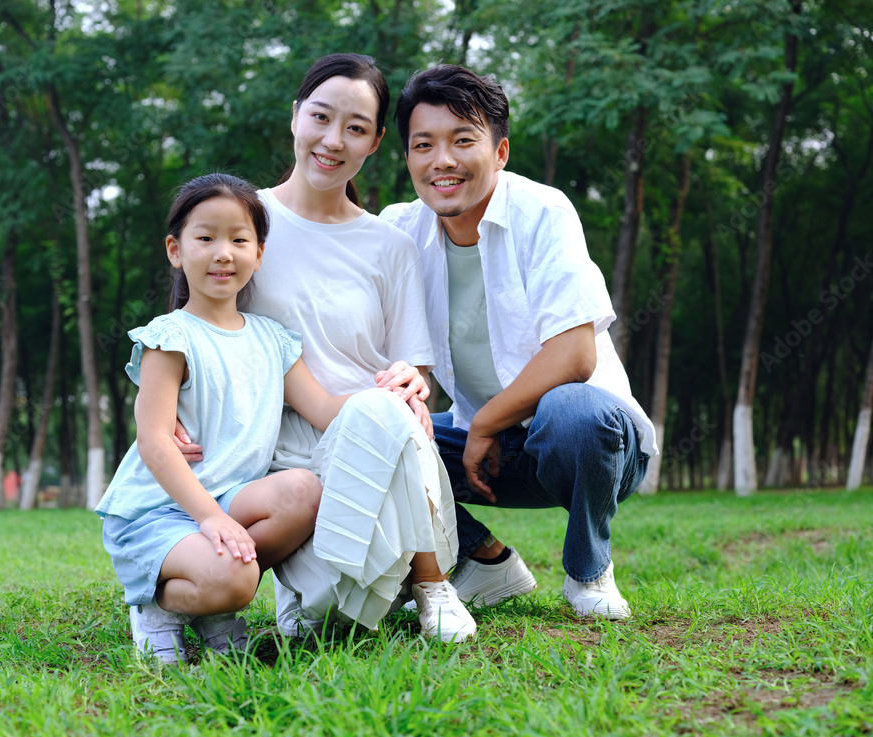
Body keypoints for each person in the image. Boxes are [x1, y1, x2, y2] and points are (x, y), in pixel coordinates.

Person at [174, 55, 477, 643]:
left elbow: (412, 368)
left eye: (356, 128)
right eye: (321, 117)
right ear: (295, 116)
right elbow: (195, 328)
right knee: (326, 616)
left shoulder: (389, 246)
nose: (333, 140)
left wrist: (412, 383)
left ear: (376, 142)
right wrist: (171, 411)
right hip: (282, 459)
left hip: (383, 448)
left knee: (377, 408)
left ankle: (431, 582)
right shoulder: (243, 225)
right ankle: (309, 589)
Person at [381, 64, 657, 620]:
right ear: (408, 157)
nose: (443, 161)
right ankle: (485, 561)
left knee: (572, 408)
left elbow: (575, 355)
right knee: (367, 432)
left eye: (464, 140)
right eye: (424, 145)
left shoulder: (543, 212)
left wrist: (484, 423)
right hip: (487, 452)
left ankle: (588, 571)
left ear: (500, 151)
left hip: (591, 443)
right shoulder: (398, 230)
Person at [98, 173, 357, 663]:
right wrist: (210, 518)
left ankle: (213, 605)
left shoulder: (272, 339)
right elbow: (155, 442)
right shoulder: (168, 337)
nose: (223, 253)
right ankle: (159, 607)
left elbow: (324, 408)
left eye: (239, 239)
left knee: (304, 490)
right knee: (238, 578)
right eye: (206, 238)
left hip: (228, 500)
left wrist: (390, 394)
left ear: (258, 253)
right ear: (175, 250)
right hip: (158, 512)